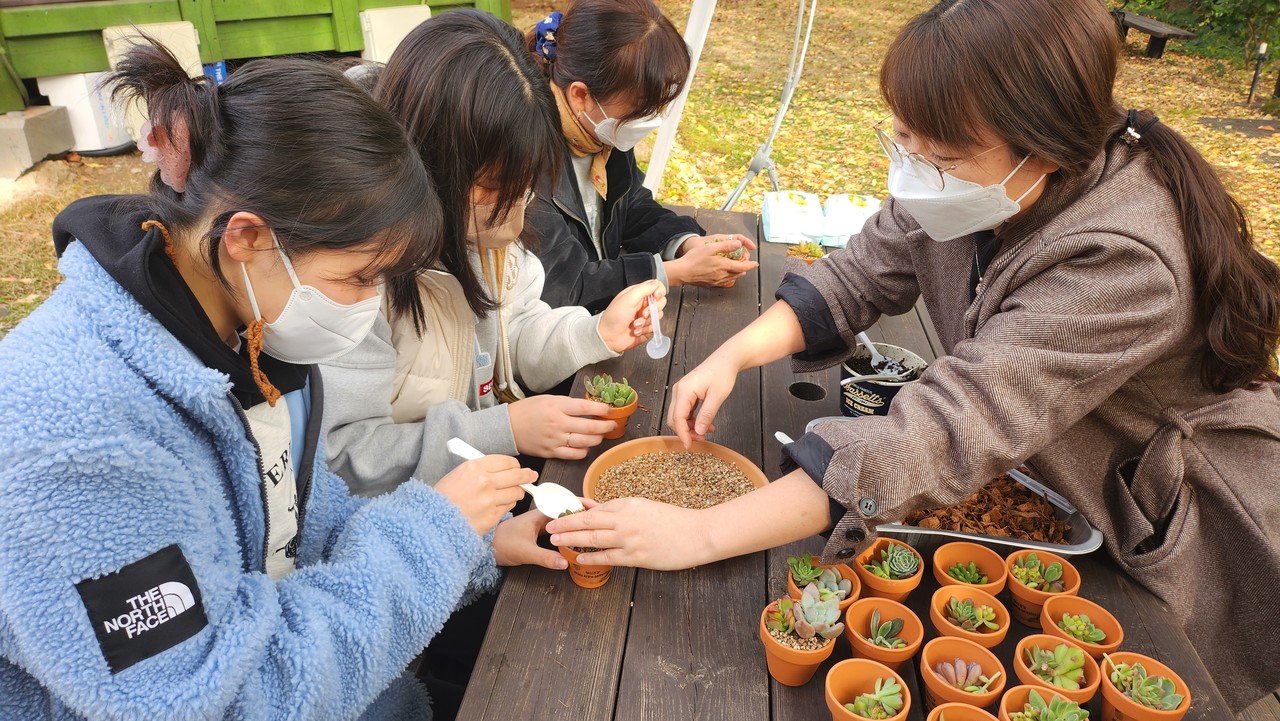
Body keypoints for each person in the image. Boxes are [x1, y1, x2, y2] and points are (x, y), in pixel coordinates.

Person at [545, 0, 1280, 710]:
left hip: (1168, 515)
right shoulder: (976, 178)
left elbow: (951, 423)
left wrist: (699, 531)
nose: (915, 169)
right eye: (904, 141)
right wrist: (733, 355)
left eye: (941, 155)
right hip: (1045, 459)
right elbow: (860, 271)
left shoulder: (1124, 257)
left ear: (1044, 151)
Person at [0, 41, 535, 720]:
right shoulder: (72, 439)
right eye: (358, 277)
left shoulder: (242, 334)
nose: (368, 303)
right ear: (247, 238)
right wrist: (436, 533)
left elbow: (298, 517)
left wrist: (476, 547)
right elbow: (221, 703)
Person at [318, 13, 664, 717]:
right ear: (435, 169)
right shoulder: (357, 281)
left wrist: (594, 330)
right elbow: (342, 459)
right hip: (386, 566)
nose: (523, 204)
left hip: (473, 531)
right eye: (502, 184)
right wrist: (504, 427)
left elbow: (521, 330)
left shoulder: (490, 230)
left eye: (528, 179)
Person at [524, 0, 760, 312]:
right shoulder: (523, 156)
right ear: (580, 95)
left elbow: (631, 204)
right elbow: (562, 283)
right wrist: (670, 274)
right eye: (641, 109)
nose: (651, 119)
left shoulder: (599, 131)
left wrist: (686, 243)